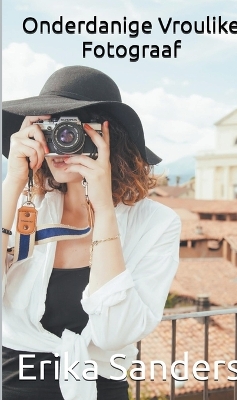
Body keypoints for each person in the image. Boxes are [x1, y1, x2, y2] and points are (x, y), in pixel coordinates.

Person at [2, 66, 181, 400]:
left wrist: (103, 206)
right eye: (49, 128)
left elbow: (116, 333)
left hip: (101, 388)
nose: (60, 141)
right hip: (13, 385)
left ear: (107, 136)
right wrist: (13, 181)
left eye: (72, 129)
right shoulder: (23, 209)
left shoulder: (157, 224)